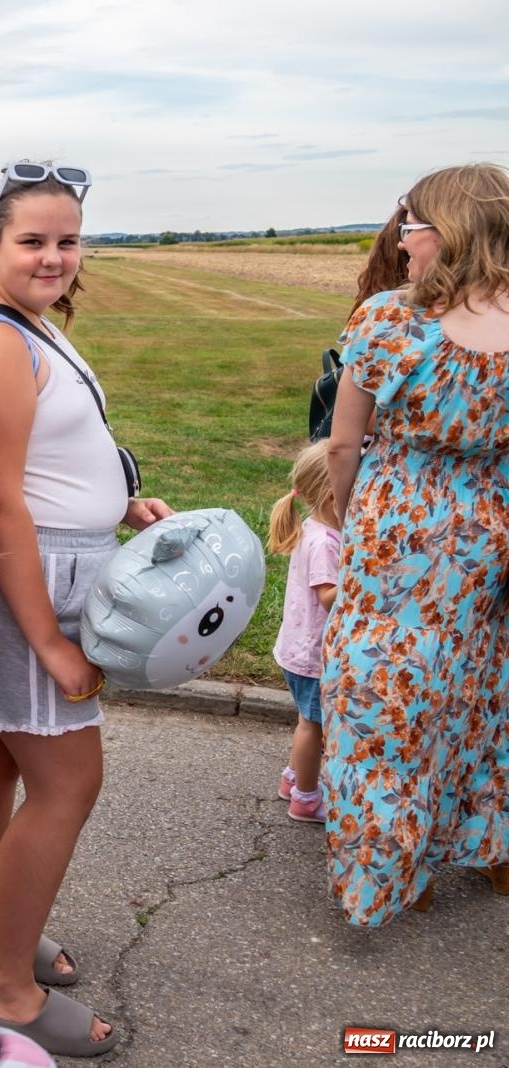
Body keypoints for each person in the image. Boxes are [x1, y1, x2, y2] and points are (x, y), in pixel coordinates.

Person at [0, 160, 172, 1058]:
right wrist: (49, 641)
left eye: (67, 240)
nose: (53, 256)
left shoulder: (31, 327)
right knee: (69, 781)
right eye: (32, 240)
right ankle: (6, 991)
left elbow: (47, 461)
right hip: (34, 586)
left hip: (56, 568)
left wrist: (118, 501)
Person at [322, 162, 509, 925]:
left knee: (381, 696)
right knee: (474, 689)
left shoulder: (389, 322)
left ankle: (397, 869)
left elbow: (342, 445)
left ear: (448, 230)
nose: (404, 243)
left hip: (396, 526)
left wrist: (347, 514)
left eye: (412, 227)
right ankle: (482, 842)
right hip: (488, 529)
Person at [266, 440, 339, 824]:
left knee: (305, 721)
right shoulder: (326, 543)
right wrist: (362, 581)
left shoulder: (312, 527)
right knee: (314, 726)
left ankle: (292, 778)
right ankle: (307, 799)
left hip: (297, 650)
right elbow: (327, 596)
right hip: (314, 657)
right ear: (332, 496)